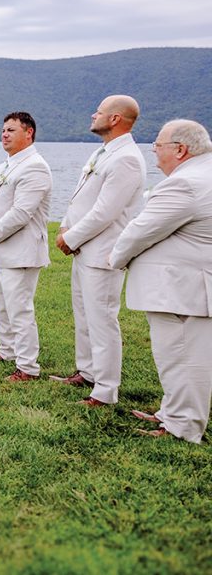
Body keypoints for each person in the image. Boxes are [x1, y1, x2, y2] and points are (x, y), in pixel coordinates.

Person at [110, 120, 212, 443]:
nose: (154, 152)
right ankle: (171, 412)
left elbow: (141, 230)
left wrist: (114, 260)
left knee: (181, 355)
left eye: (158, 145)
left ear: (180, 149)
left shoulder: (185, 183)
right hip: (185, 286)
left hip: (181, 287)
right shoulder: (202, 175)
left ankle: (183, 427)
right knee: (175, 355)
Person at [51, 95, 146, 406]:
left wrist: (72, 238)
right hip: (85, 250)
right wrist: (66, 226)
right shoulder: (104, 152)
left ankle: (105, 390)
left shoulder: (127, 158)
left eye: (100, 112)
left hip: (103, 252)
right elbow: (82, 198)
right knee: (84, 315)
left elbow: (106, 211)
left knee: (102, 318)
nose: (94, 115)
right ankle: (87, 371)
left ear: (115, 119)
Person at [0, 112, 52, 380]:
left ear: (28, 133)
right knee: (1, 305)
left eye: (11, 130)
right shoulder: (4, 166)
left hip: (21, 250)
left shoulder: (35, 166)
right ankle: (7, 350)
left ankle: (28, 366)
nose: (4, 134)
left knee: (20, 310)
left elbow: (21, 212)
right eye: (3, 129)